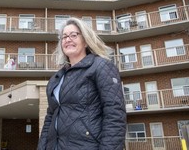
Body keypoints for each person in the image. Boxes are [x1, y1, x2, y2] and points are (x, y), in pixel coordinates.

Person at [37, 17, 126, 150]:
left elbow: (115, 115)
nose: (68, 39)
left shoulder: (101, 67)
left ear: (85, 41)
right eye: (64, 37)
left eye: (73, 35)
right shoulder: (56, 78)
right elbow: (50, 118)